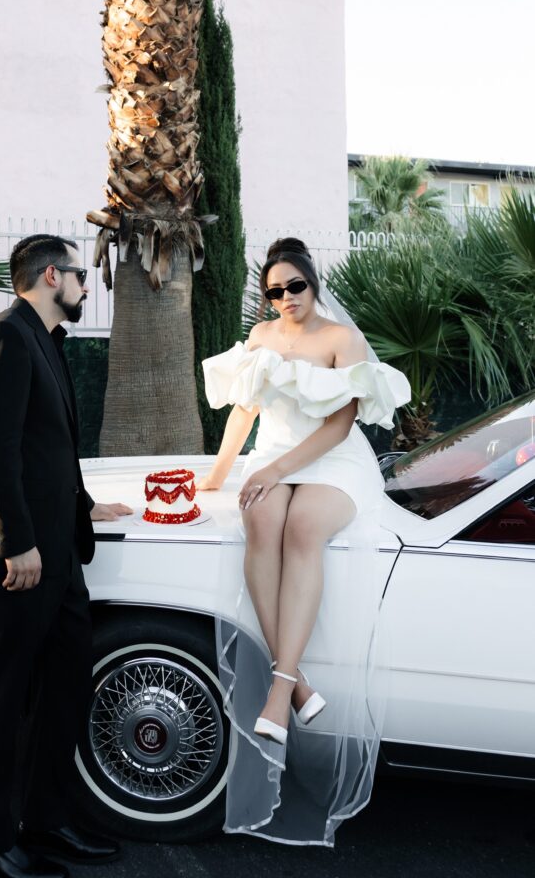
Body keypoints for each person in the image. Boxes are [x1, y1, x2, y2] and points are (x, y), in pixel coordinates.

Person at [199, 236, 410, 845]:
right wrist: (219, 476)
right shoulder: (263, 338)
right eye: (273, 290)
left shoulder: (341, 340)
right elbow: (244, 409)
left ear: (313, 284)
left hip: (331, 461)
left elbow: (341, 423)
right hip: (272, 456)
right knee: (259, 523)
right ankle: (300, 683)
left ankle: (280, 689)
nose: (285, 298)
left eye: (294, 286)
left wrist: (273, 472)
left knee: (301, 530)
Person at [0, 234, 132, 878]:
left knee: (66, 684)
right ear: (52, 276)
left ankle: (47, 822)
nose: (86, 284)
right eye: (81, 274)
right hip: (15, 556)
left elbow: (49, 445)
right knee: (2, 696)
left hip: (58, 552)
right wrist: (13, 542)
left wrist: (82, 505)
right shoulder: (4, 336)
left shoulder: (45, 339)